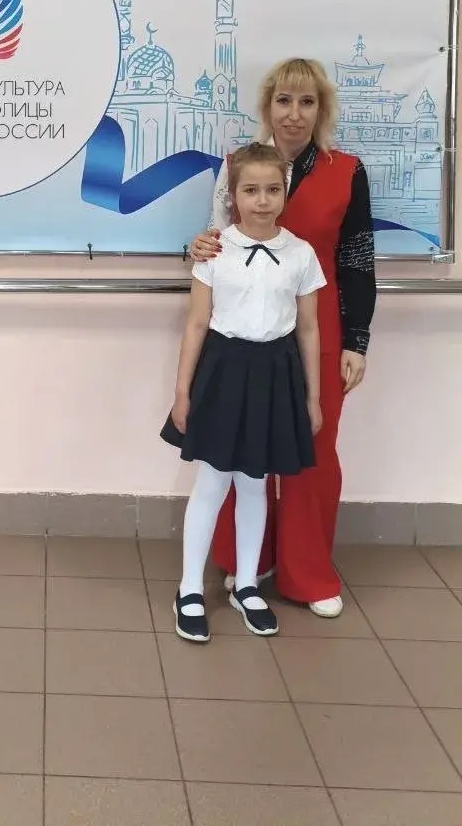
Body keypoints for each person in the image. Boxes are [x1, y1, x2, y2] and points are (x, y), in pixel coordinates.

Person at [188, 57, 376, 618]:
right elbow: (214, 242)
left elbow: (358, 261)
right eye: (284, 101)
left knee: (312, 452)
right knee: (240, 447)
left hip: (319, 331)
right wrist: (196, 247)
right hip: (244, 330)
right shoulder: (237, 166)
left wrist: (357, 341)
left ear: (322, 110)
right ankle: (250, 563)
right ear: (268, 106)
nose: (294, 114)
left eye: (307, 102)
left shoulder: (348, 172)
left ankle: (308, 573)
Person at [161, 143, 325, 642]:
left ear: (285, 193)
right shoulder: (215, 249)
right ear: (233, 195)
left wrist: (312, 397)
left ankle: (247, 584)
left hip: (276, 373)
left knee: (256, 483)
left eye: (273, 189)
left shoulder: (301, 254)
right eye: (251, 190)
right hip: (223, 370)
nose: (262, 200)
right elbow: (196, 323)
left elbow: (308, 329)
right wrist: (182, 391)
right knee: (212, 483)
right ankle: (190, 588)